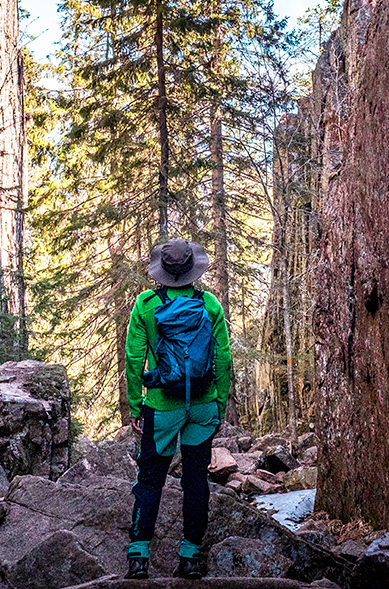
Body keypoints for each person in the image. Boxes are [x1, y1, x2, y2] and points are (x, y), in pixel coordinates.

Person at [124, 238, 232, 579]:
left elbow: (133, 358)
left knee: (149, 479)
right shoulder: (209, 304)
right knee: (196, 480)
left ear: (162, 272)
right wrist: (219, 403)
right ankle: (190, 558)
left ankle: (139, 557)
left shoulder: (145, 305)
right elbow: (223, 358)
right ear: (192, 270)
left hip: (162, 407)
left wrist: (135, 405)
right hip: (202, 406)